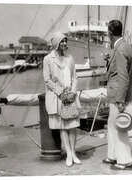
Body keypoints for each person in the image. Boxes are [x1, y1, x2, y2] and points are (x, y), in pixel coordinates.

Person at [43, 32, 81, 167]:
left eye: (65, 41)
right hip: (57, 97)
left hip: (70, 96)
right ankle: (69, 154)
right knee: (63, 127)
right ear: (56, 43)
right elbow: (47, 80)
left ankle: (74, 152)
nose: (64, 43)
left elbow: (75, 77)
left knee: (73, 126)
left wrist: (73, 92)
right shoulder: (48, 59)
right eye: (62, 41)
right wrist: (60, 92)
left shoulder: (70, 58)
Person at [102, 20, 132, 170]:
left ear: (109, 33)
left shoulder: (120, 49)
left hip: (117, 96)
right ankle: (113, 156)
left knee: (119, 126)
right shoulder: (124, 46)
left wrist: (120, 100)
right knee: (112, 125)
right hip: (117, 94)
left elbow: (123, 77)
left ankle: (125, 160)